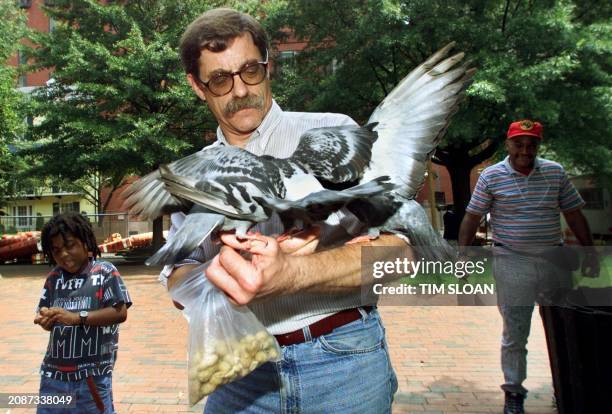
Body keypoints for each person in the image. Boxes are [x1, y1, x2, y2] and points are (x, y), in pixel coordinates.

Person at [160, 7, 413, 413]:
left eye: (250, 71)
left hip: (343, 364)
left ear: (269, 66)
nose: (240, 90)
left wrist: (291, 274)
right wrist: (215, 277)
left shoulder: (335, 134)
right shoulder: (190, 177)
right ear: (196, 85)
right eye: (221, 79)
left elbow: (402, 253)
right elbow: (177, 274)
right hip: (240, 374)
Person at [458, 119, 599, 414]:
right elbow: (472, 217)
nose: (525, 149)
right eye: (519, 143)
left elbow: (573, 214)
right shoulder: (491, 177)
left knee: (565, 326)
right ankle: (513, 394)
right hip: (512, 261)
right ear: (508, 144)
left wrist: (590, 253)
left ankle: (568, 386)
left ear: (538, 145)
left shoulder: (555, 172)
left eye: (531, 143)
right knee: (515, 331)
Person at [34, 212, 132, 414]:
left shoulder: (105, 271)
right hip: (54, 376)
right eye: (56, 250)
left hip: (91, 377)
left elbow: (120, 312)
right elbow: (42, 313)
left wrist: (77, 318)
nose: (63, 254)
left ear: (86, 243)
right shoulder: (54, 277)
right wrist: (45, 319)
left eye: (69, 245)